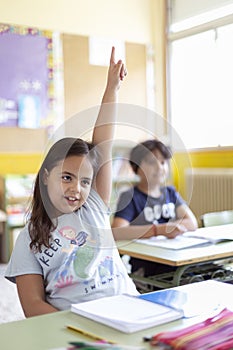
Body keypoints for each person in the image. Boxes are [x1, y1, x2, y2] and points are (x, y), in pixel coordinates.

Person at [5, 47, 138, 317]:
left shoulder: (94, 207)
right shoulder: (28, 239)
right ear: (45, 177)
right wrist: (80, 325)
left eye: (85, 181)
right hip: (79, 324)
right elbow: (33, 307)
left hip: (129, 309)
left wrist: (112, 89)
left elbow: (103, 143)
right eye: (67, 177)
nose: (77, 188)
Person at [111, 139, 198, 279]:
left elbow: (192, 223)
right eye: (151, 162)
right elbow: (117, 231)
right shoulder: (130, 197)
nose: (159, 167)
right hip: (149, 264)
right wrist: (158, 230)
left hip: (174, 256)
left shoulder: (170, 193)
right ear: (136, 166)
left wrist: (173, 228)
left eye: (163, 162)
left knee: (211, 273)